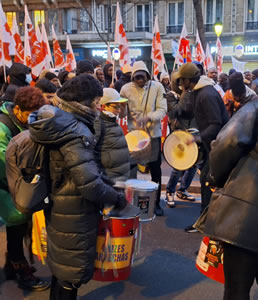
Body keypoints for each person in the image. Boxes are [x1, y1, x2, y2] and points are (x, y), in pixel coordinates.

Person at [28, 74, 127, 299]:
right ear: (83, 101)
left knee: (62, 269)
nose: (97, 106)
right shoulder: (75, 131)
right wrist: (116, 197)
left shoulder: (59, 120)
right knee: (71, 276)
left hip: (58, 204)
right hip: (75, 212)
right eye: (95, 101)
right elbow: (89, 184)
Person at [198, 72, 258, 300]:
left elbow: (226, 143)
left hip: (246, 215)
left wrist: (215, 178)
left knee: (237, 290)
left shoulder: (253, 110)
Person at [0, 86, 49, 291]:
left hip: (18, 184)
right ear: (18, 109)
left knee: (19, 227)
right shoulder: (3, 127)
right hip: (5, 185)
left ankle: (12, 265)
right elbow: (5, 162)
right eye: (29, 115)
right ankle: (21, 271)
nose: (32, 119)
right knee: (17, 223)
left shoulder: (25, 123)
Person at [174, 63, 228, 232]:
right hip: (212, 144)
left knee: (207, 182)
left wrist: (196, 138)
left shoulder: (206, 94)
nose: (180, 84)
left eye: (181, 81)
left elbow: (216, 123)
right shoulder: (198, 91)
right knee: (208, 182)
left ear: (188, 80)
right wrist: (174, 113)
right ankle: (208, 221)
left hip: (218, 145)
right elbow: (190, 110)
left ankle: (206, 223)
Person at [120, 61, 167, 216]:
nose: (140, 81)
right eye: (137, 77)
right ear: (132, 77)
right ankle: (131, 201)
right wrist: (119, 108)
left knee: (155, 170)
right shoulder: (126, 89)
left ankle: (156, 202)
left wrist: (148, 118)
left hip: (153, 135)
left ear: (148, 74)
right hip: (135, 137)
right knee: (132, 170)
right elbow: (122, 114)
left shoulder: (157, 87)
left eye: (143, 77)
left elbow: (162, 109)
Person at [165, 72, 197, 208]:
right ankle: (170, 191)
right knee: (179, 164)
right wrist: (185, 92)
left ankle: (183, 189)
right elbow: (177, 111)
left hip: (194, 132)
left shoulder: (195, 93)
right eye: (180, 81)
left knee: (194, 163)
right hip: (179, 134)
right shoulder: (170, 95)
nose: (183, 83)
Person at [94, 88, 130, 182]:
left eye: (120, 106)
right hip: (109, 178)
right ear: (104, 106)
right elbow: (91, 152)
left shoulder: (111, 121)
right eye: (116, 107)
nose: (119, 110)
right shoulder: (99, 123)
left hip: (119, 177)